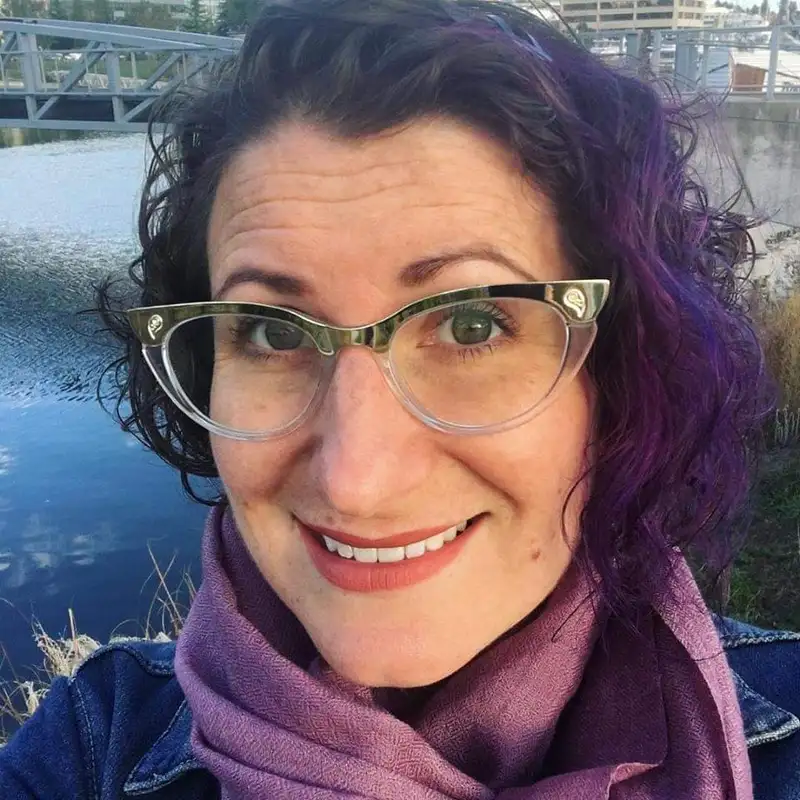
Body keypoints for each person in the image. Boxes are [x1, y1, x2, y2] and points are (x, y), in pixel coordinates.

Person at [2, 0, 799, 797]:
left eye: (470, 323)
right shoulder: (91, 746)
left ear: (619, 367)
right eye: (273, 333)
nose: (358, 480)